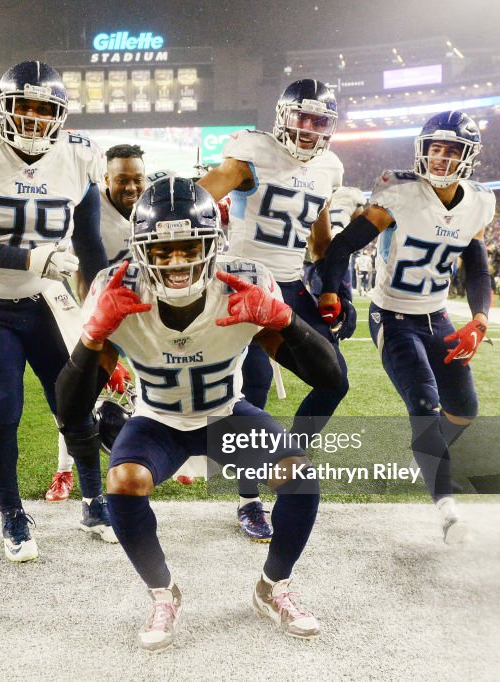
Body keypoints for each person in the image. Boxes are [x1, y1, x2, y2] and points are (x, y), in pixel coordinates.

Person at [56, 177, 342, 650]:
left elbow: (330, 379)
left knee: (299, 476)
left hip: (225, 414)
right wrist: (92, 338)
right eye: (162, 250)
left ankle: (273, 588)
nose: (177, 262)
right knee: (124, 481)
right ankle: (164, 594)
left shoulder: (243, 283)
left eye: (190, 246)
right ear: (141, 250)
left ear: (214, 244)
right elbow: (69, 410)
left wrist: (286, 319)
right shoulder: (117, 289)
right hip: (155, 420)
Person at [0, 60, 111, 561]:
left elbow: (91, 245)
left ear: (61, 114)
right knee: (2, 413)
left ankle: (95, 501)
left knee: (74, 409)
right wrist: (35, 257)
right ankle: (13, 515)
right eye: (23, 107)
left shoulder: (79, 156)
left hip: (47, 302)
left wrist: (101, 300)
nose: (33, 118)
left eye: (44, 109)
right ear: (3, 108)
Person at [318, 110, 496, 543]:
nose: (439, 158)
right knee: (424, 408)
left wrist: (480, 318)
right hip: (394, 316)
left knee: (463, 411)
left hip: (437, 316)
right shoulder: (399, 193)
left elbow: (476, 268)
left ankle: (426, 452)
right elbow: (342, 246)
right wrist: (330, 290)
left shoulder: (480, 201)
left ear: (468, 157)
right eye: (434, 148)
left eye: (451, 150)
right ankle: (449, 511)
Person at [198, 79, 350, 542]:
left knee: (334, 379)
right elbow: (210, 189)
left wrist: (331, 288)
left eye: (319, 121)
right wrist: (184, 199)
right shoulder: (251, 151)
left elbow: (320, 243)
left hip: (288, 285)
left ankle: (287, 460)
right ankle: (249, 499)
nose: (309, 129)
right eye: (301, 118)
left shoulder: (329, 168)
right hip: (243, 282)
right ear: (283, 116)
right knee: (256, 387)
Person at [45, 143, 146, 502]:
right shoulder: (91, 210)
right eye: (122, 180)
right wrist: (97, 332)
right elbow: (87, 276)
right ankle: (64, 471)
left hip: (145, 318)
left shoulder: (153, 209)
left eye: (138, 179)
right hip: (98, 316)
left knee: (166, 382)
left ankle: (171, 455)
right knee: (77, 396)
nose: (132, 187)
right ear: (106, 179)